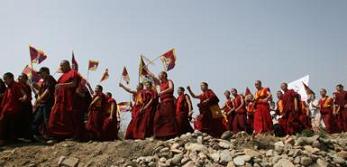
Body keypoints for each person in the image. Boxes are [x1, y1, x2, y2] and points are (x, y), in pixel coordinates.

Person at [48, 60, 81, 140]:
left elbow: (74, 84)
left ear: (67, 65)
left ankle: (72, 135)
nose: (61, 68)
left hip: (69, 100)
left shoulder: (73, 72)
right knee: (55, 117)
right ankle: (58, 136)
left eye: (62, 66)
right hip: (60, 100)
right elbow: (57, 88)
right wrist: (55, 102)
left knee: (69, 118)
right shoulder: (62, 76)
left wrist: (61, 85)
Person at [0, 72, 27, 145]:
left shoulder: (16, 85)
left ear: (11, 78)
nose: (5, 81)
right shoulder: (8, 87)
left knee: (3, 122)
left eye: (6, 79)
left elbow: (24, 93)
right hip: (7, 108)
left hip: (13, 108)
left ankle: (2, 140)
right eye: (4, 79)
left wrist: (24, 98)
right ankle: (9, 139)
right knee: (9, 124)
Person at [149, 71, 178, 139]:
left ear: (164, 75)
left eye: (160, 74)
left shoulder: (169, 81)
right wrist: (147, 70)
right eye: (158, 75)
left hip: (169, 101)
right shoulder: (160, 84)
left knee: (169, 118)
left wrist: (162, 92)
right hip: (162, 103)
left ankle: (171, 134)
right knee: (157, 118)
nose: (159, 76)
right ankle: (159, 134)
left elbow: (171, 88)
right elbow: (153, 76)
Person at [32, 67, 57, 140]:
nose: (40, 75)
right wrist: (35, 87)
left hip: (48, 102)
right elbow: (41, 90)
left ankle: (51, 136)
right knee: (37, 119)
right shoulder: (44, 81)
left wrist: (40, 98)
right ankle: (38, 135)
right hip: (43, 103)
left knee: (47, 119)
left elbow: (48, 90)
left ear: (46, 72)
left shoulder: (50, 78)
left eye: (41, 73)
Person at [17, 74, 34, 140]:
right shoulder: (17, 86)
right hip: (21, 105)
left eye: (20, 77)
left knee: (28, 121)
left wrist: (27, 98)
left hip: (27, 105)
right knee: (22, 121)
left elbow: (29, 96)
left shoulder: (27, 86)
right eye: (19, 77)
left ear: (25, 79)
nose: (18, 78)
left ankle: (29, 136)